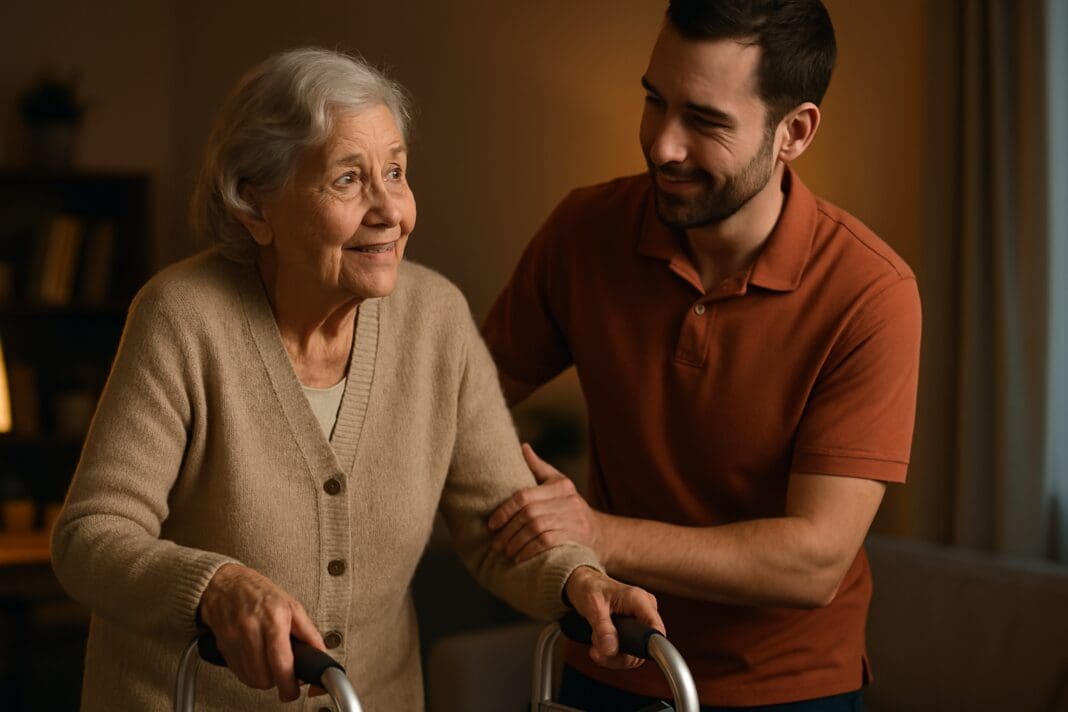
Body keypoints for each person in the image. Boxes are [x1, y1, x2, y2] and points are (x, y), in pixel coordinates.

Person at [50, 47, 662, 712]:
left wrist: (579, 580)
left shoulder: (436, 320)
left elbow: (499, 526)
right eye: (348, 180)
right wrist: (215, 586)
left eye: (395, 173)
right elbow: (92, 536)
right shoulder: (183, 317)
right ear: (255, 204)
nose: (389, 210)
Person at [483, 1, 921, 710]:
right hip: (606, 660)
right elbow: (460, 402)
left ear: (795, 132)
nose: (662, 145)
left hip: (786, 692)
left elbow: (814, 561)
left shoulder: (872, 293)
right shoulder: (583, 231)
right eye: (656, 101)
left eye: (706, 121)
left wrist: (594, 532)